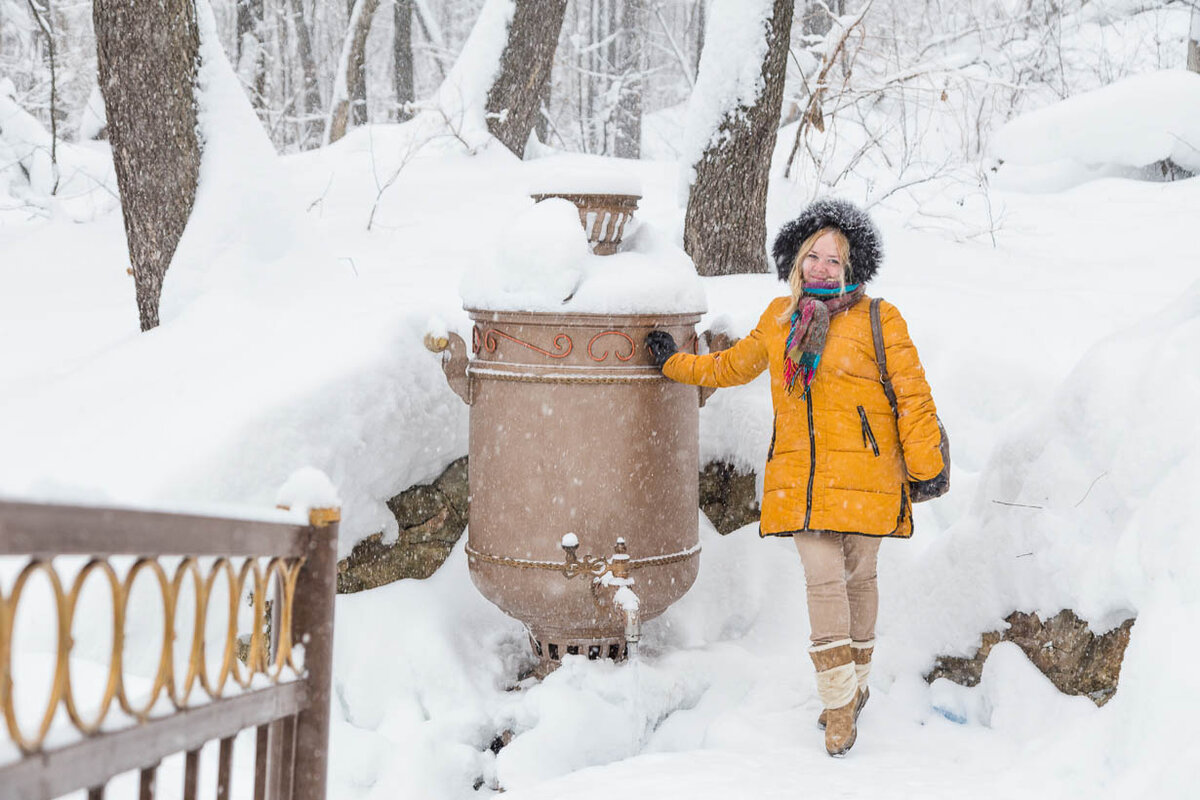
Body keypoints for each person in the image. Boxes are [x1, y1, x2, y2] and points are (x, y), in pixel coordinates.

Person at [645, 198, 944, 757]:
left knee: (860, 581)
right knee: (823, 580)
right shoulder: (779, 320)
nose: (823, 268)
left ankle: (854, 688)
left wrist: (926, 468)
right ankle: (838, 707)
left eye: (836, 259)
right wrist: (673, 365)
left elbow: (913, 396)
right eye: (815, 256)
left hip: (868, 477)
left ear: (851, 266)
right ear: (797, 260)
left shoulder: (880, 319)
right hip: (802, 482)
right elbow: (731, 366)